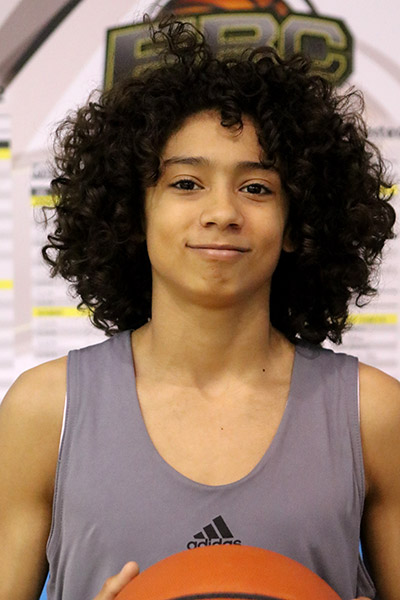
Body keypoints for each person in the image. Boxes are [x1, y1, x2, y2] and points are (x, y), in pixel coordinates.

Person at [0, 17, 399, 600]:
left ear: (297, 224)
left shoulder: (374, 415)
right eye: (186, 183)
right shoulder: (44, 411)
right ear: (133, 212)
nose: (222, 212)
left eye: (256, 188)